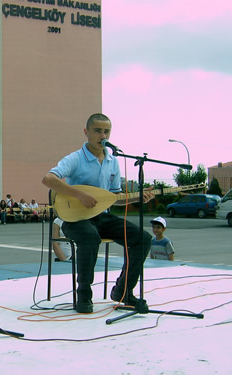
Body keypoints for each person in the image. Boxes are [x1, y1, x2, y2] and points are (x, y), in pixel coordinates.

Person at [42, 113, 153, 313]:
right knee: (90, 237)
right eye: (97, 130)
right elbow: (48, 179)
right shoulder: (75, 158)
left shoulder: (113, 161)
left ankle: (123, 291)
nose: (103, 135)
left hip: (102, 217)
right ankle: (84, 294)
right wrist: (80, 195)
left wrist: (138, 197)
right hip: (74, 218)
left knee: (143, 238)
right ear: (86, 132)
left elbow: (114, 198)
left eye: (106, 131)